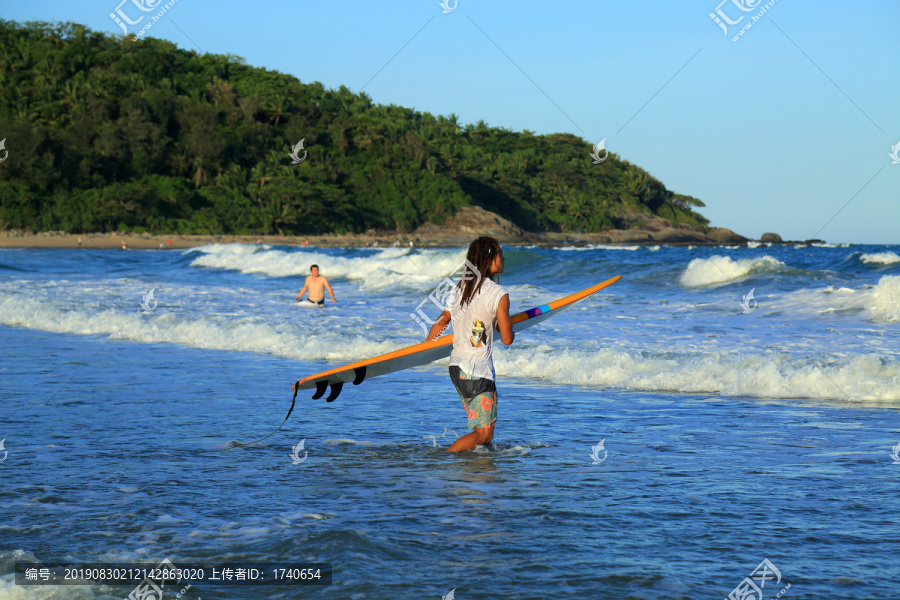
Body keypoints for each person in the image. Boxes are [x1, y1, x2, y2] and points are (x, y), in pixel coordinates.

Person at [425, 237, 514, 452]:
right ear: (489, 259)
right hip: (478, 372)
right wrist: (507, 322)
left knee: (481, 430)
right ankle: (447, 458)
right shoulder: (499, 294)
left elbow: (442, 321)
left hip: (457, 368)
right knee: (483, 433)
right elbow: (507, 338)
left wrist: (427, 346)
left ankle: (480, 468)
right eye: (500, 254)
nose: (503, 258)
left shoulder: (459, 289)